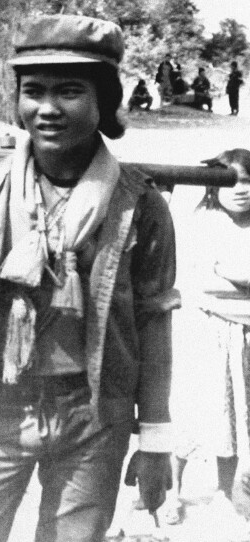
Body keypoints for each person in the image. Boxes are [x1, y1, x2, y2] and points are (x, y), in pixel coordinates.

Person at [0, 15, 178, 542]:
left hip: (93, 417)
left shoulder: (141, 205)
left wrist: (154, 435)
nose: (48, 108)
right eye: (33, 91)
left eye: (70, 91)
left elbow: (154, 322)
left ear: (105, 100)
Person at [162, 149, 250, 527]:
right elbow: (204, 283)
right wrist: (234, 278)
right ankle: (170, 492)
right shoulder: (203, 221)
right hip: (206, 330)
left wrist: (230, 273)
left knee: (232, 417)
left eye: (248, 181)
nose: (241, 189)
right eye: (231, 182)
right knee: (190, 413)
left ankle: (226, 491)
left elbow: (228, 275)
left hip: (243, 336)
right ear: (213, 186)